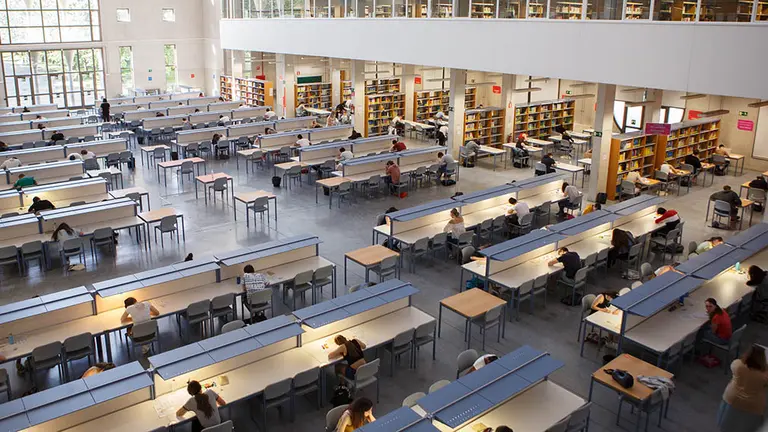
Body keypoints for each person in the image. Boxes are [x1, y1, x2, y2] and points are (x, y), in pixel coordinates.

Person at [717, 345, 768, 432]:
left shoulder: (738, 365)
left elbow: (735, 365)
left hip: (733, 399)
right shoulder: (764, 376)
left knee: (726, 426)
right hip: (753, 406)